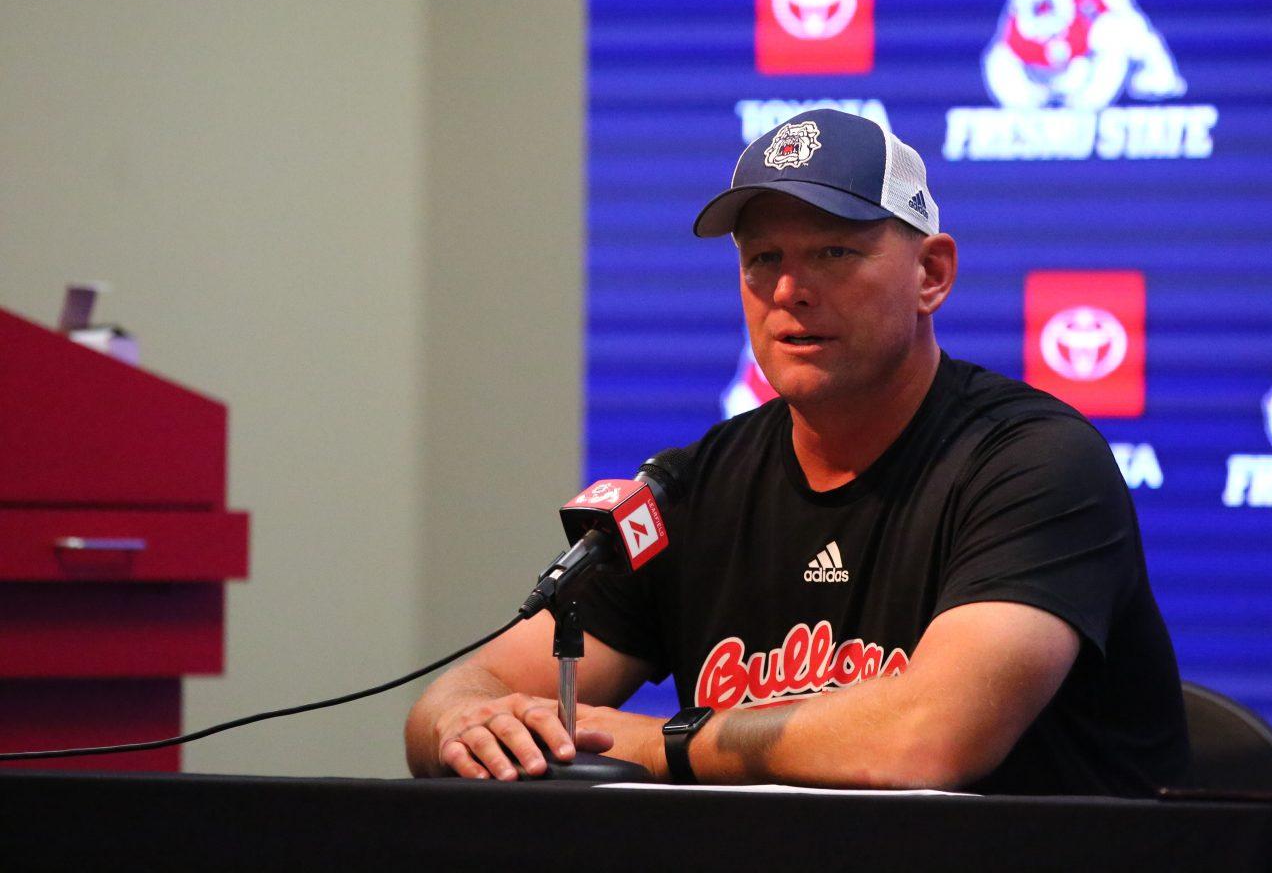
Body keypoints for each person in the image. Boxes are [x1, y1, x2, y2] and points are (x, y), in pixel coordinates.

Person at [404, 109, 1188, 794]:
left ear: (932, 274)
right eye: (762, 261)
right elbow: (461, 696)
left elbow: (924, 740)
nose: (789, 291)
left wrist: (657, 742)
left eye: (833, 254)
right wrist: (469, 723)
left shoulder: (1033, 463)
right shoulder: (694, 485)